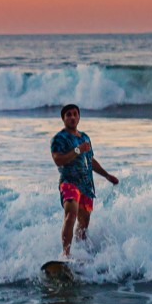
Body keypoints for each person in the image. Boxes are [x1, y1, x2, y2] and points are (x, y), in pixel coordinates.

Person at [50, 103, 118, 258]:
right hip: (69, 182)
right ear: (63, 118)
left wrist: (107, 175)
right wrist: (77, 150)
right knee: (71, 215)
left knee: (84, 223)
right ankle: (65, 255)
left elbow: (90, 160)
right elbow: (58, 160)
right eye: (68, 114)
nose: (72, 117)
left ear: (79, 117)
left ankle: (81, 254)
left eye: (75, 114)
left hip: (86, 186)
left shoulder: (85, 137)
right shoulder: (59, 138)